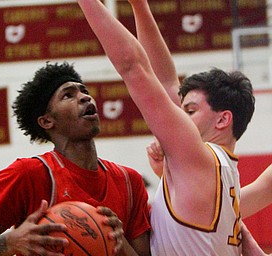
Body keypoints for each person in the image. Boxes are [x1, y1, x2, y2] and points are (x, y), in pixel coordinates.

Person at [76, 0, 266, 255]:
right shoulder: (226, 173)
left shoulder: (198, 157)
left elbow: (133, 67)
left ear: (222, 120)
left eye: (190, 111)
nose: (180, 116)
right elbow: (166, 81)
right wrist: (139, 7)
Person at [0, 62, 151, 256]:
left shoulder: (129, 181)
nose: (84, 97)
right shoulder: (27, 174)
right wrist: (10, 242)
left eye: (84, 91)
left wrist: (119, 242)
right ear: (47, 121)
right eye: (68, 95)